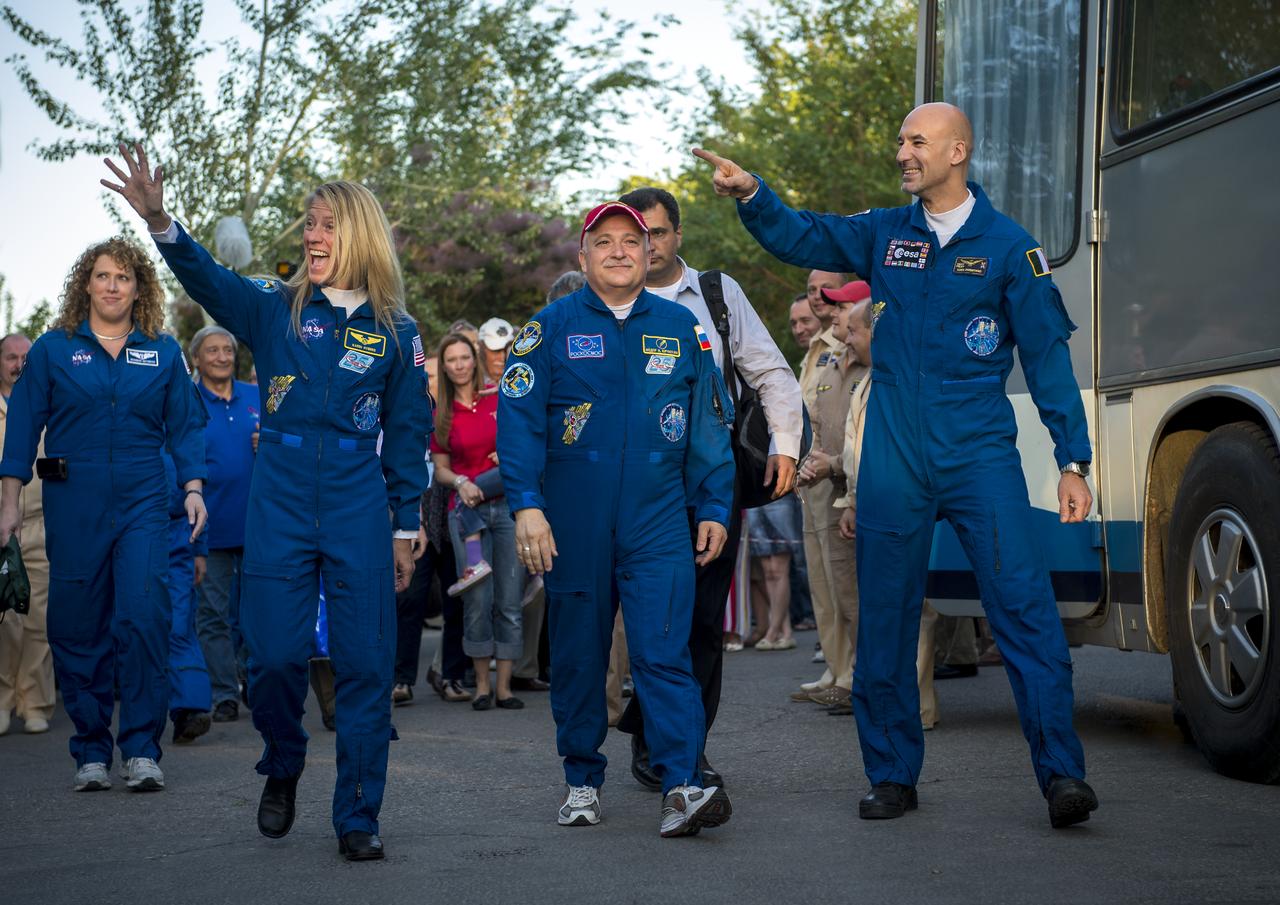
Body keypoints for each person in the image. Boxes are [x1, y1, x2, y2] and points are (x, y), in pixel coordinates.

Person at [694, 101, 1099, 829]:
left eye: (918, 142)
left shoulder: (1011, 248)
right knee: (882, 619)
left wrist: (1073, 457)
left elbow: (1046, 357)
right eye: (902, 140)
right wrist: (755, 195)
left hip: (979, 456)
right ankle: (891, 774)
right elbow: (805, 232)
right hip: (894, 459)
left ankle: (1063, 773)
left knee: (1026, 612)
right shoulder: (886, 232)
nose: (904, 152)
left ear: (958, 152)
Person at [104, 144, 432, 859]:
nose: (311, 236)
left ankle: (358, 814)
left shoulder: (400, 335)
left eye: (326, 225)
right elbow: (211, 280)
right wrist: (162, 223)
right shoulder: (274, 310)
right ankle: (282, 762)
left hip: (357, 504)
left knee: (366, 665)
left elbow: (408, 437)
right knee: (278, 657)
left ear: (359, 235)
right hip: (278, 499)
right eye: (308, 224)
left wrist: (407, 527)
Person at [498, 201, 735, 837]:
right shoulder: (545, 330)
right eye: (604, 242)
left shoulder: (682, 329)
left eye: (632, 241)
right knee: (579, 656)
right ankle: (581, 781)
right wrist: (526, 506)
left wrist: (714, 505)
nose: (620, 251)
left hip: (658, 520)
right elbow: (516, 424)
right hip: (573, 522)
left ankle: (682, 783)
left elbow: (710, 426)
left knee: (664, 651)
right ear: (583, 256)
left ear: (650, 252)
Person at [0, 236, 208, 792]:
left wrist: (192, 487)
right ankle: (91, 748)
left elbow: (186, 424)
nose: (112, 286)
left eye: (123, 277)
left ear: (138, 288)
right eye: (102, 276)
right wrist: (10, 501)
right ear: (84, 285)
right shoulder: (52, 349)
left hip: (144, 496)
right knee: (77, 625)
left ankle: (140, 748)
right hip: (74, 500)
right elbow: (21, 425)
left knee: (144, 616)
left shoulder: (162, 351)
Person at [614, 185, 803, 792]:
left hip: (710, 482)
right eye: (636, 234)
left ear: (677, 236)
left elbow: (769, 370)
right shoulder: (608, 297)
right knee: (649, 619)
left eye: (659, 233)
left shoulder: (717, 295)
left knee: (699, 623)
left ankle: (683, 753)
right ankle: (655, 740)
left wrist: (785, 446)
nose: (648, 245)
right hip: (633, 485)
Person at [834, 300, 939, 730]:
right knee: (885, 609)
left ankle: (914, 709)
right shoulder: (867, 382)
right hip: (873, 504)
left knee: (915, 610)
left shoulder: (906, 381)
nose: (847, 339)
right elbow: (856, 451)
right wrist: (853, 502)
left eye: (854, 332)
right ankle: (890, 706)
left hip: (904, 506)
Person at [429, 333, 523, 710]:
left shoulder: (499, 398)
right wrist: (462, 482)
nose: (459, 365)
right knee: (477, 598)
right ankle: (482, 686)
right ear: (445, 367)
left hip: (506, 509)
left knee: (510, 599)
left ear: (475, 358)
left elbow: (523, 441)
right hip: (466, 516)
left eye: (464, 357)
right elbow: (440, 469)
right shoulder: (442, 412)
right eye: (451, 360)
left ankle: (505, 688)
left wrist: (508, 451)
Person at [793, 282, 870, 714]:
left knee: (852, 590)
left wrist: (833, 464)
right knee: (827, 585)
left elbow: (862, 435)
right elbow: (817, 419)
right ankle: (841, 671)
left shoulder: (865, 357)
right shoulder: (831, 355)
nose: (828, 307)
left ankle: (858, 677)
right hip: (823, 479)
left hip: (848, 484)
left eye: (838, 303)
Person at [188, 324, 257, 723]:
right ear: (197, 358)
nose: (221, 356)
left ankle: (250, 679)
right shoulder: (187, 401)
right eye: (212, 350)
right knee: (212, 614)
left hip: (257, 525)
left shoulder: (255, 398)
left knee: (254, 612)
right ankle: (224, 693)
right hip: (207, 529)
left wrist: (270, 444)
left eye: (227, 349)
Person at [0, 333, 55, 737]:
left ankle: (34, 701)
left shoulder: (49, 407)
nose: (19, 364)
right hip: (3, 527)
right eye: (10, 357)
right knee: (4, 622)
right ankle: (2, 701)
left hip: (43, 523)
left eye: (25, 357)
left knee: (39, 620)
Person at [162, 451, 214, 743]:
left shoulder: (181, 431)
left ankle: (190, 709)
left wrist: (200, 550)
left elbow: (202, 496)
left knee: (179, 625)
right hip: (136, 535)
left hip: (180, 536)